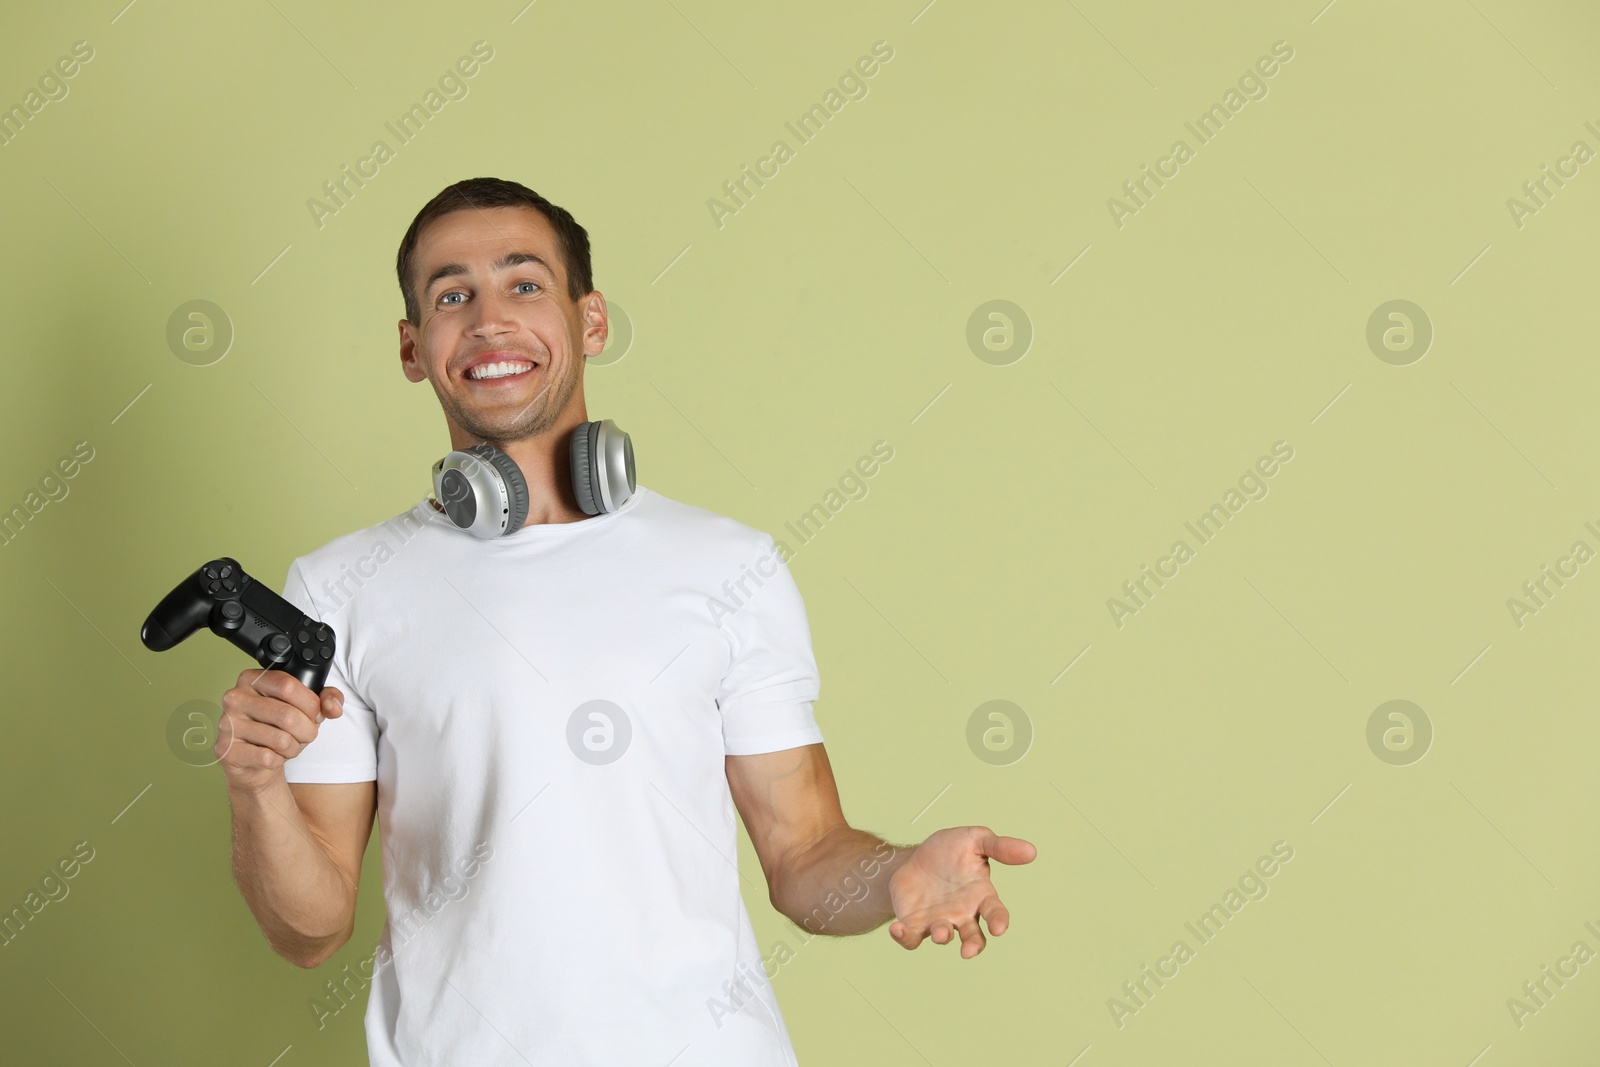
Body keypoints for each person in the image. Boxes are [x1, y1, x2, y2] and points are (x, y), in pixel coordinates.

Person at [215, 176, 1036, 1066]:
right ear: (414, 347)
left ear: (591, 321)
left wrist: (898, 871)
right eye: (452, 295)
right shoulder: (337, 587)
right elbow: (309, 930)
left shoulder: (730, 565)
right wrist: (255, 784)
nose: (490, 318)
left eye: (524, 283)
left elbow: (804, 854)